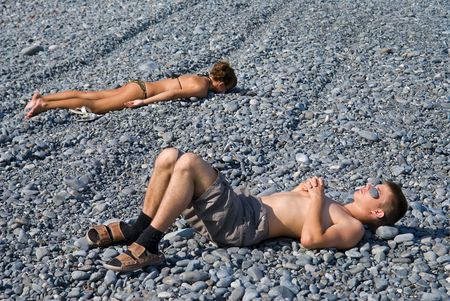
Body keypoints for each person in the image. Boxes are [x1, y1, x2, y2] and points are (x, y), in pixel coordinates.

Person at [85, 148, 408, 272]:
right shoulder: (333, 204)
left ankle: (150, 245)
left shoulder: (352, 229)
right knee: (169, 156)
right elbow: (290, 206)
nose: (368, 186)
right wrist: (303, 192)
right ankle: (136, 228)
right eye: (373, 183)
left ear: (378, 213)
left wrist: (315, 199)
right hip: (242, 207)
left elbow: (310, 239)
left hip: (241, 225)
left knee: (190, 163)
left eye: (376, 191)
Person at [24, 60, 237, 119]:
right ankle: (44, 105)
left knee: (89, 95)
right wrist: (142, 102)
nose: (224, 92)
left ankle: (43, 97)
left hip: (138, 84)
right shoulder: (201, 87)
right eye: (226, 89)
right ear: (221, 83)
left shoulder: (198, 76)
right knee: (94, 106)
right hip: (140, 93)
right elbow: (171, 94)